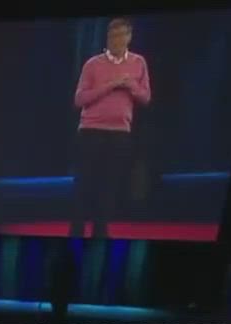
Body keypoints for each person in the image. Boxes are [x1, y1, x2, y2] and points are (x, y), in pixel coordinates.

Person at [69, 17, 151, 239]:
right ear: (107, 38)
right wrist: (111, 84)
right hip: (91, 131)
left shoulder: (138, 63)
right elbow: (79, 99)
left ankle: (100, 233)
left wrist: (130, 85)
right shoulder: (93, 64)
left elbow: (145, 98)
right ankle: (75, 232)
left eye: (122, 35)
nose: (117, 40)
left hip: (120, 134)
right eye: (113, 35)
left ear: (129, 37)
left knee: (109, 185)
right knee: (84, 184)